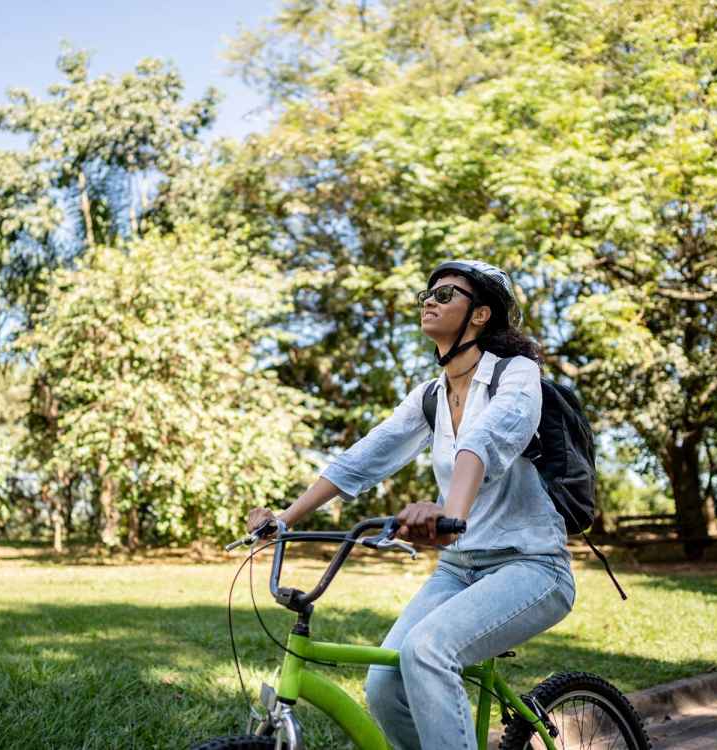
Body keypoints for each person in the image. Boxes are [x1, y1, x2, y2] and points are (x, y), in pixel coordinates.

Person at [245, 260, 575, 750]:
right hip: (458, 569)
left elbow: (488, 439)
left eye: (445, 294)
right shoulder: (430, 396)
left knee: (427, 651)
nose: (430, 300)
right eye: (428, 292)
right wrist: (284, 518)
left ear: (480, 314)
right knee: (384, 683)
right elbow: (365, 456)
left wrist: (452, 516)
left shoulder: (516, 374)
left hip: (532, 565)